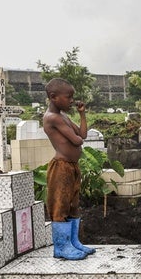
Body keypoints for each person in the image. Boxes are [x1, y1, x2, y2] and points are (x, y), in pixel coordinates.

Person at [42, 78, 95, 260]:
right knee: (60, 206)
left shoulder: (63, 116)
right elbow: (77, 140)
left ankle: (73, 243)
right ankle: (61, 247)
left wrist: (82, 115)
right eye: (68, 97)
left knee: (73, 205)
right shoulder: (52, 118)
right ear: (53, 97)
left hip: (72, 167)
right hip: (61, 167)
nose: (72, 101)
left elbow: (83, 134)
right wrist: (78, 137)